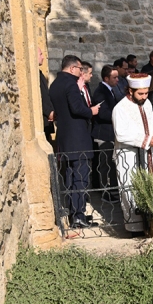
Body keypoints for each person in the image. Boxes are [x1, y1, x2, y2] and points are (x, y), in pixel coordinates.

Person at [49, 55, 100, 228]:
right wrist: (91, 111)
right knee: (80, 177)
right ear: (72, 68)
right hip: (77, 138)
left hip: (65, 137)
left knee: (71, 176)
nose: (80, 73)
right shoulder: (70, 83)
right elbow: (76, 108)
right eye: (79, 69)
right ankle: (78, 215)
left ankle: (75, 214)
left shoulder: (55, 83)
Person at [112, 73, 153, 233]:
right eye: (140, 93)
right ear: (130, 91)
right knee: (131, 188)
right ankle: (134, 228)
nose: (144, 96)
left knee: (151, 186)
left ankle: (152, 224)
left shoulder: (147, 103)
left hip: (148, 154)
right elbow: (120, 133)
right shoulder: (119, 108)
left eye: (146, 93)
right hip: (128, 156)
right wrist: (146, 140)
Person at [91, 65, 120, 203]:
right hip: (104, 134)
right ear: (106, 78)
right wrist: (119, 116)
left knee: (110, 163)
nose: (117, 80)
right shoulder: (100, 92)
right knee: (105, 165)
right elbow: (103, 113)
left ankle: (113, 191)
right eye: (114, 77)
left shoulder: (110, 90)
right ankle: (106, 192)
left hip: (110, 133)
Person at [38, 47, 54, 143]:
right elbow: (42, 96)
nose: (43, 57)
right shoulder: (36, 75)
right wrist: (49, 112)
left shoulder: (40, 74)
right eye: (40, 54)